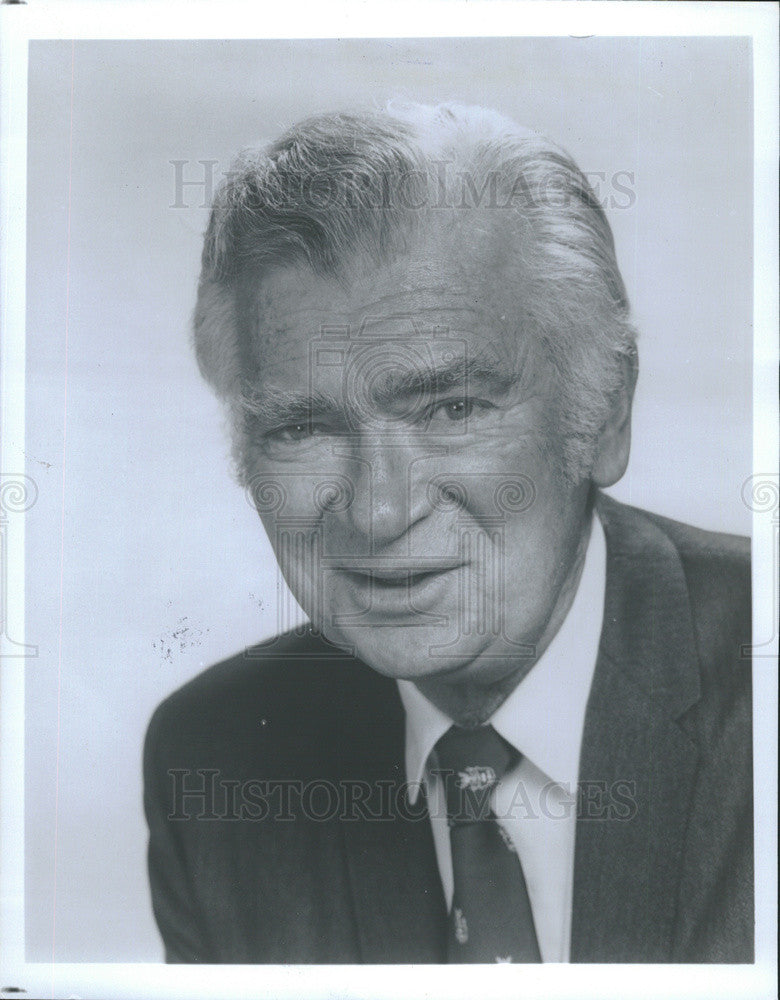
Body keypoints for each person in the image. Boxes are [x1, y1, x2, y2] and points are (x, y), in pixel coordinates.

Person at [143, 102, 753, 964]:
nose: (378, 511)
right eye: (302, 428)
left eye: (453, 408)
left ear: (606, 412)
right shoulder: (214, 757)